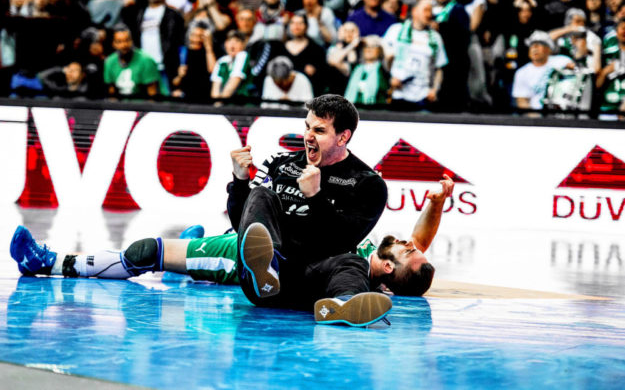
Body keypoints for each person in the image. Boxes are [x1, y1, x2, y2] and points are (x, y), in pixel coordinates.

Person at [9, 174, 452, 323]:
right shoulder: (374, 241)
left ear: (392, 272)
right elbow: (423, 239)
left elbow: (415, 255)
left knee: (146, 250)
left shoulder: (359, 262)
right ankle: (195, 255)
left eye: (412, 251)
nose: (413, 242)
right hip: (272, 240)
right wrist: (434, 203)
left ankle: (50, 262)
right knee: (260, 210)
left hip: (252, 256)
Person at [227, 94, 390, 327]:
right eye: (307, 127)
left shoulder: (368, 183)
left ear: (343, 137)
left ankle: (343, 305)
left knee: (353, 263)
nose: (308, 136)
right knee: (261, 194)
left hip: (311, 283)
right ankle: (265, 269)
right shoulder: (278, 162)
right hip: (263, 284)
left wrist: (316, 196)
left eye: (320, 131)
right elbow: (241, 225)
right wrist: (240, 181)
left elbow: (341, 241)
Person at [383, 0, 448, 109]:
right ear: (414, 11)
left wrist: (435, 90)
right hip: (398, 94)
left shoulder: (435, 38)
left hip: (423, 96)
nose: (429, 14)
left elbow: (440, 67)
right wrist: (390, 78)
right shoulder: (396, 30)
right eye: (426, 10)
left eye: (431, 11)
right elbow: (384, 58)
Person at [511, 30, 574, 110]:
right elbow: (522, 102)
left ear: (549, 49)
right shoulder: (521, 73)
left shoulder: (563, 61)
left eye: (539, 44)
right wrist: (535, 119)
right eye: (532, 45)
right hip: (537, 117)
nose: (534, 48)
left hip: (562, 113)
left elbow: (578, 75)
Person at [103, 24, 160, 99]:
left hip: (142, 106)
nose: (124, 45)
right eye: (119, 42)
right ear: (113, 44)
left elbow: (152, 94)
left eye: (127, 40)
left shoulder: (146, 60)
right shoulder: (109, 62)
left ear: (132, 41)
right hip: (120, 107)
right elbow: (111, 94)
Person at [344, 35, 389, 105]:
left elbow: (390, 55)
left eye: (373, 46)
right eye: (366, 46)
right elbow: (333, 61)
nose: (368, 49)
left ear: (379, 50)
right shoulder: (356, 67)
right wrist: (353, 44)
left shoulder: (383, 68)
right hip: (352, 111)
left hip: (376, 112)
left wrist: (381, 41)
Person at [210, 30, 253, 101]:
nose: (232, 45)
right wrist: (216, 106)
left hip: (242, 104)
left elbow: (233, 83)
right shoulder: (221, 61)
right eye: (229, 41)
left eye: (237, 41)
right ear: (225, 44)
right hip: (225, 105)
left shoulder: (243, 55)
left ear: (243, 45)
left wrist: (220, 104)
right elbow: (215, 89)